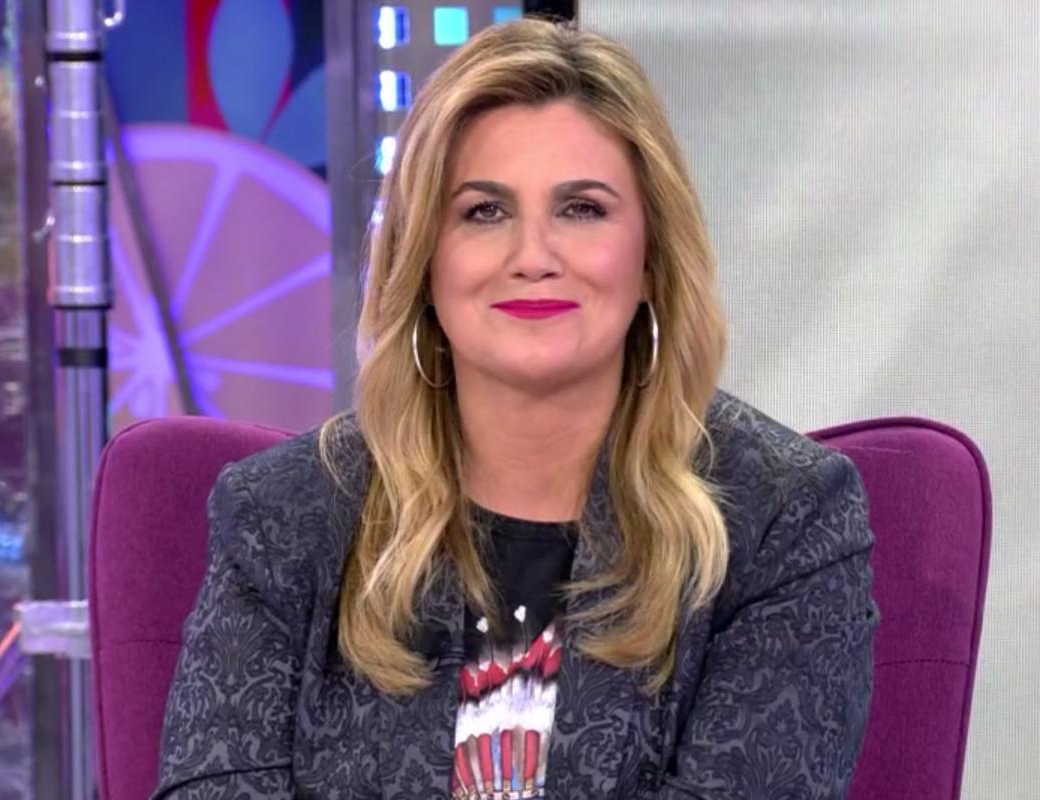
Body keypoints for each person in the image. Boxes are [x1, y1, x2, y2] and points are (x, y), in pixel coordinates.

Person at [151, 16, 879, 800]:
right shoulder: (283, 518)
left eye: (582, 209)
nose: (533, 257)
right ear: (423, 260)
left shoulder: (780, 520)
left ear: (651, 257)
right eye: (484, 212)